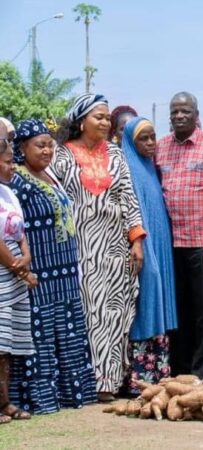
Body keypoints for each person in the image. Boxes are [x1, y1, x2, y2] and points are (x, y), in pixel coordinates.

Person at [52, 94, 145, 401]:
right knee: (86, 311)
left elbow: (128, 198)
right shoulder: (61, 156)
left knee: (115, 313)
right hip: (78, 248)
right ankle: (84, 382)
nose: (106, 123)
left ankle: (108, 383)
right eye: (99, 117)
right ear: (81, 122)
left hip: (115, 248)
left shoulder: (117, 155)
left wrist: (137, 241)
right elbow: (56, 202)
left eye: (107, 118)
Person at [7, 120, 96, 414]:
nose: (47, 150)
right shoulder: (15, 182)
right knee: (41, 334)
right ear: (21, 148)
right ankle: (39, 398)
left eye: (49, 144)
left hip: (64, 272)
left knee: (67, 332)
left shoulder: (49, 175)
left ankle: (71, 394)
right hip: (40, 273)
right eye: (39, 145)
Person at [156, 92, 203, 379]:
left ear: (196, 114)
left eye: (185, 111)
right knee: (179, 311)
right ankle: (180, 371)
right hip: (169, 244)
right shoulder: (161, 147)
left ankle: (202, 374)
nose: (179, 116)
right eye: (175, 111)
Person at [119, 117, 177, 391]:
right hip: (145, 247)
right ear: (131, 141)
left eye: (154, 137)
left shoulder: (150, 168)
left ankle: (158, 376)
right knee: (146, 301)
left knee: (158, 298)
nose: (151, 143)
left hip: (159, 245)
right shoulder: (128, 168)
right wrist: (144, 247)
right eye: (144, 138)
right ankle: (138, 379)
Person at [0, 121, 35, 423]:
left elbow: (20, 230)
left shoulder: (8, 193)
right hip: (4, 273)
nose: (13, 167)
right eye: (9, 161)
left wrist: (25, 257)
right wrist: (18, 267)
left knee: (6, 347)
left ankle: (5, 402)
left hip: (15, 274)